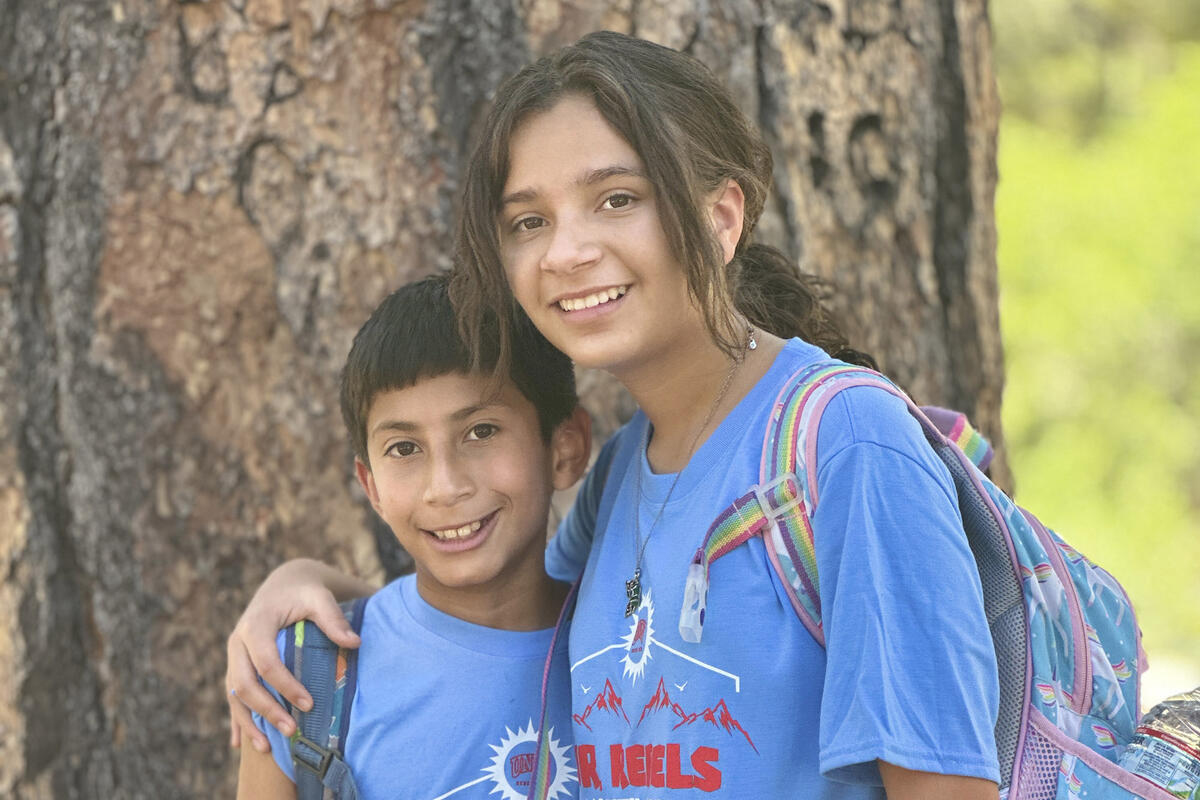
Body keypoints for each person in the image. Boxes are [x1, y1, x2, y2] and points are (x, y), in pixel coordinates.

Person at [229, 32, 1002, 799]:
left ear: (721, 219)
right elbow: (497, 608)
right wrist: (299, 588)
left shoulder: (846, 444)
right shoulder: (624, 475)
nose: (566, 251)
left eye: (617, 200)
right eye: (529, 221)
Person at [235, 274, 590, 799]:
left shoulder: (629, 644)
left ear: (563, 450)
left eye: (481, 431)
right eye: (404, 448)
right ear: (371, 487)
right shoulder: (304, 680)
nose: (444, 488)